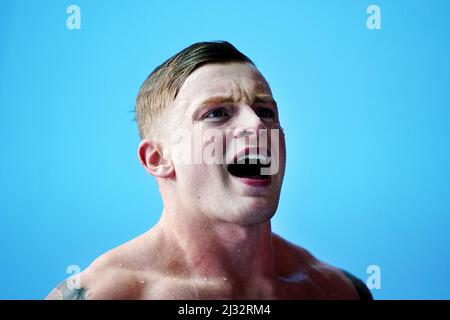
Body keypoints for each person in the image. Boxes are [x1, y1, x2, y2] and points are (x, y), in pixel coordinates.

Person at [46, 41, 372, 300]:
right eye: (216, 113)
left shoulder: (335, 291)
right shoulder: (105, 295)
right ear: (157, 158)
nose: (258, 125)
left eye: (265, 111)